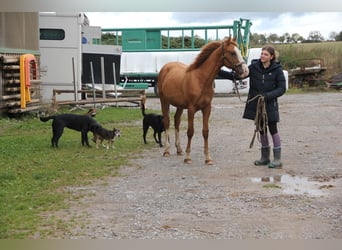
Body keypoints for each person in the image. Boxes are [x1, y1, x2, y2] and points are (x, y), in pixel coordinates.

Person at [219, 45, 286, 168]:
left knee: (273, 129)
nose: (262, 56)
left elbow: (282, 88)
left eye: (265, 54)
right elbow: (240, 75)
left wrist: (267, 96)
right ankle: (265, 157)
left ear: (271, 57)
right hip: (257, 105)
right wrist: (219, 71)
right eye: (261, 53)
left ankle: (277, 159)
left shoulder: (277, 70)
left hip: (270, 104)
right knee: (261, 129)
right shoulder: (254, 67)